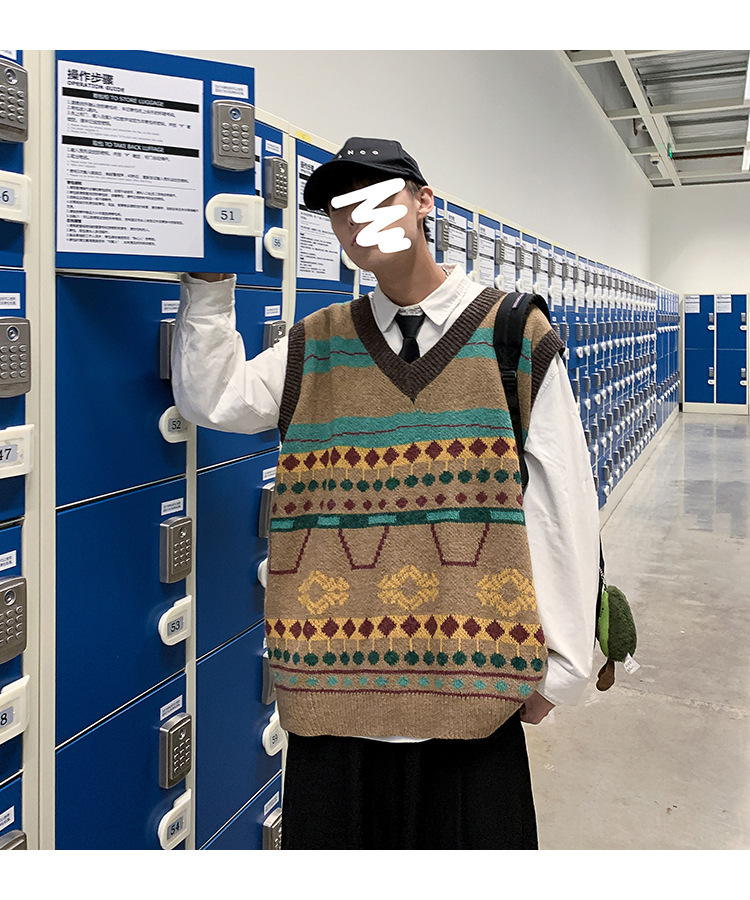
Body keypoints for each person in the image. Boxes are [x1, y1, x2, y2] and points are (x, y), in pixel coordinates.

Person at [172, 137, 600, 850]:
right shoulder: (315, 343)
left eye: (375, 197)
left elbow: (562, 510)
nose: (357, 219)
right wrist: (211, 285)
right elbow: (215, 397)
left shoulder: (513, 336)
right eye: (340, 208)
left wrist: (558, 673)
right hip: (331, 704)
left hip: (473, 699)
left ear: (423, 202)